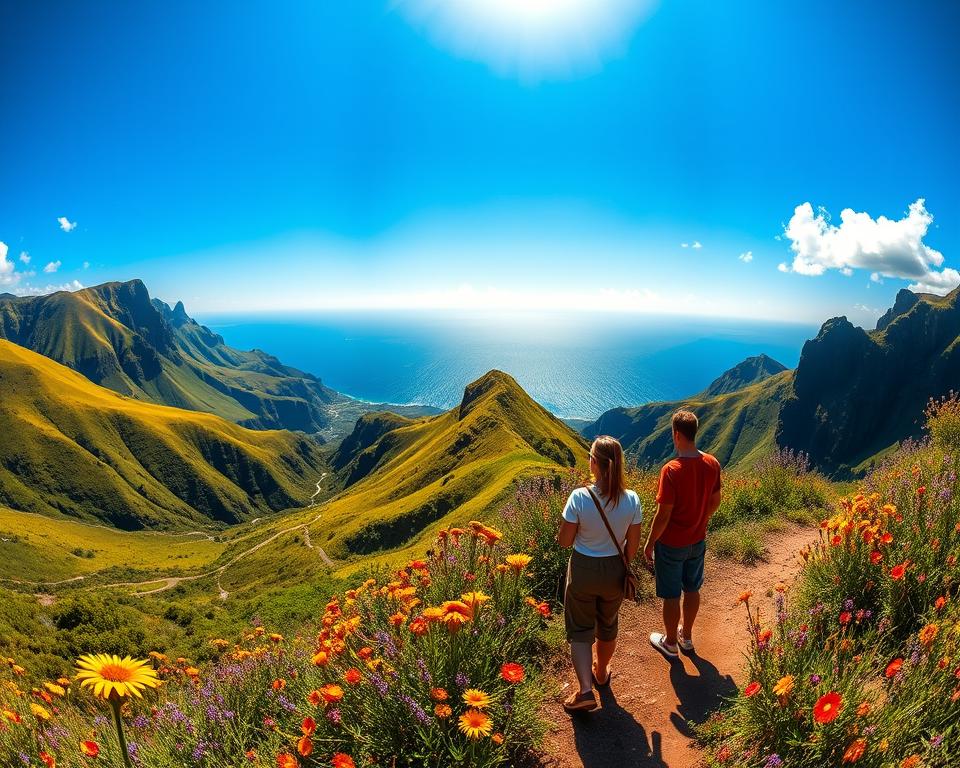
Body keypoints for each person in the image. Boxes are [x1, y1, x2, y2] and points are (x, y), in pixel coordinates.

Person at [557, 435, 643, 713]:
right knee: (607, 623)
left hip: (583, 567)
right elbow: (633, 544)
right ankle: (602, 672)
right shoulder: (632, 500)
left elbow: (565, 541)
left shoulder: (580, 497)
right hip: (615, 570)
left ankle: (584, 691)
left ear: (594, 463)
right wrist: (620, 566)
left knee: (580, 630)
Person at [644, 409, 722, 659]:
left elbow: (663, 514)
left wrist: (649, 542)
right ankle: (686, 637)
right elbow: (716, 501)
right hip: (697, 540)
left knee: (670, 594)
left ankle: (669, 643)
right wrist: (701, 518)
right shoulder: (712, 463)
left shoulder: (671, 470)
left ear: (676, 434)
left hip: (671, 544)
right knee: (692, 589)